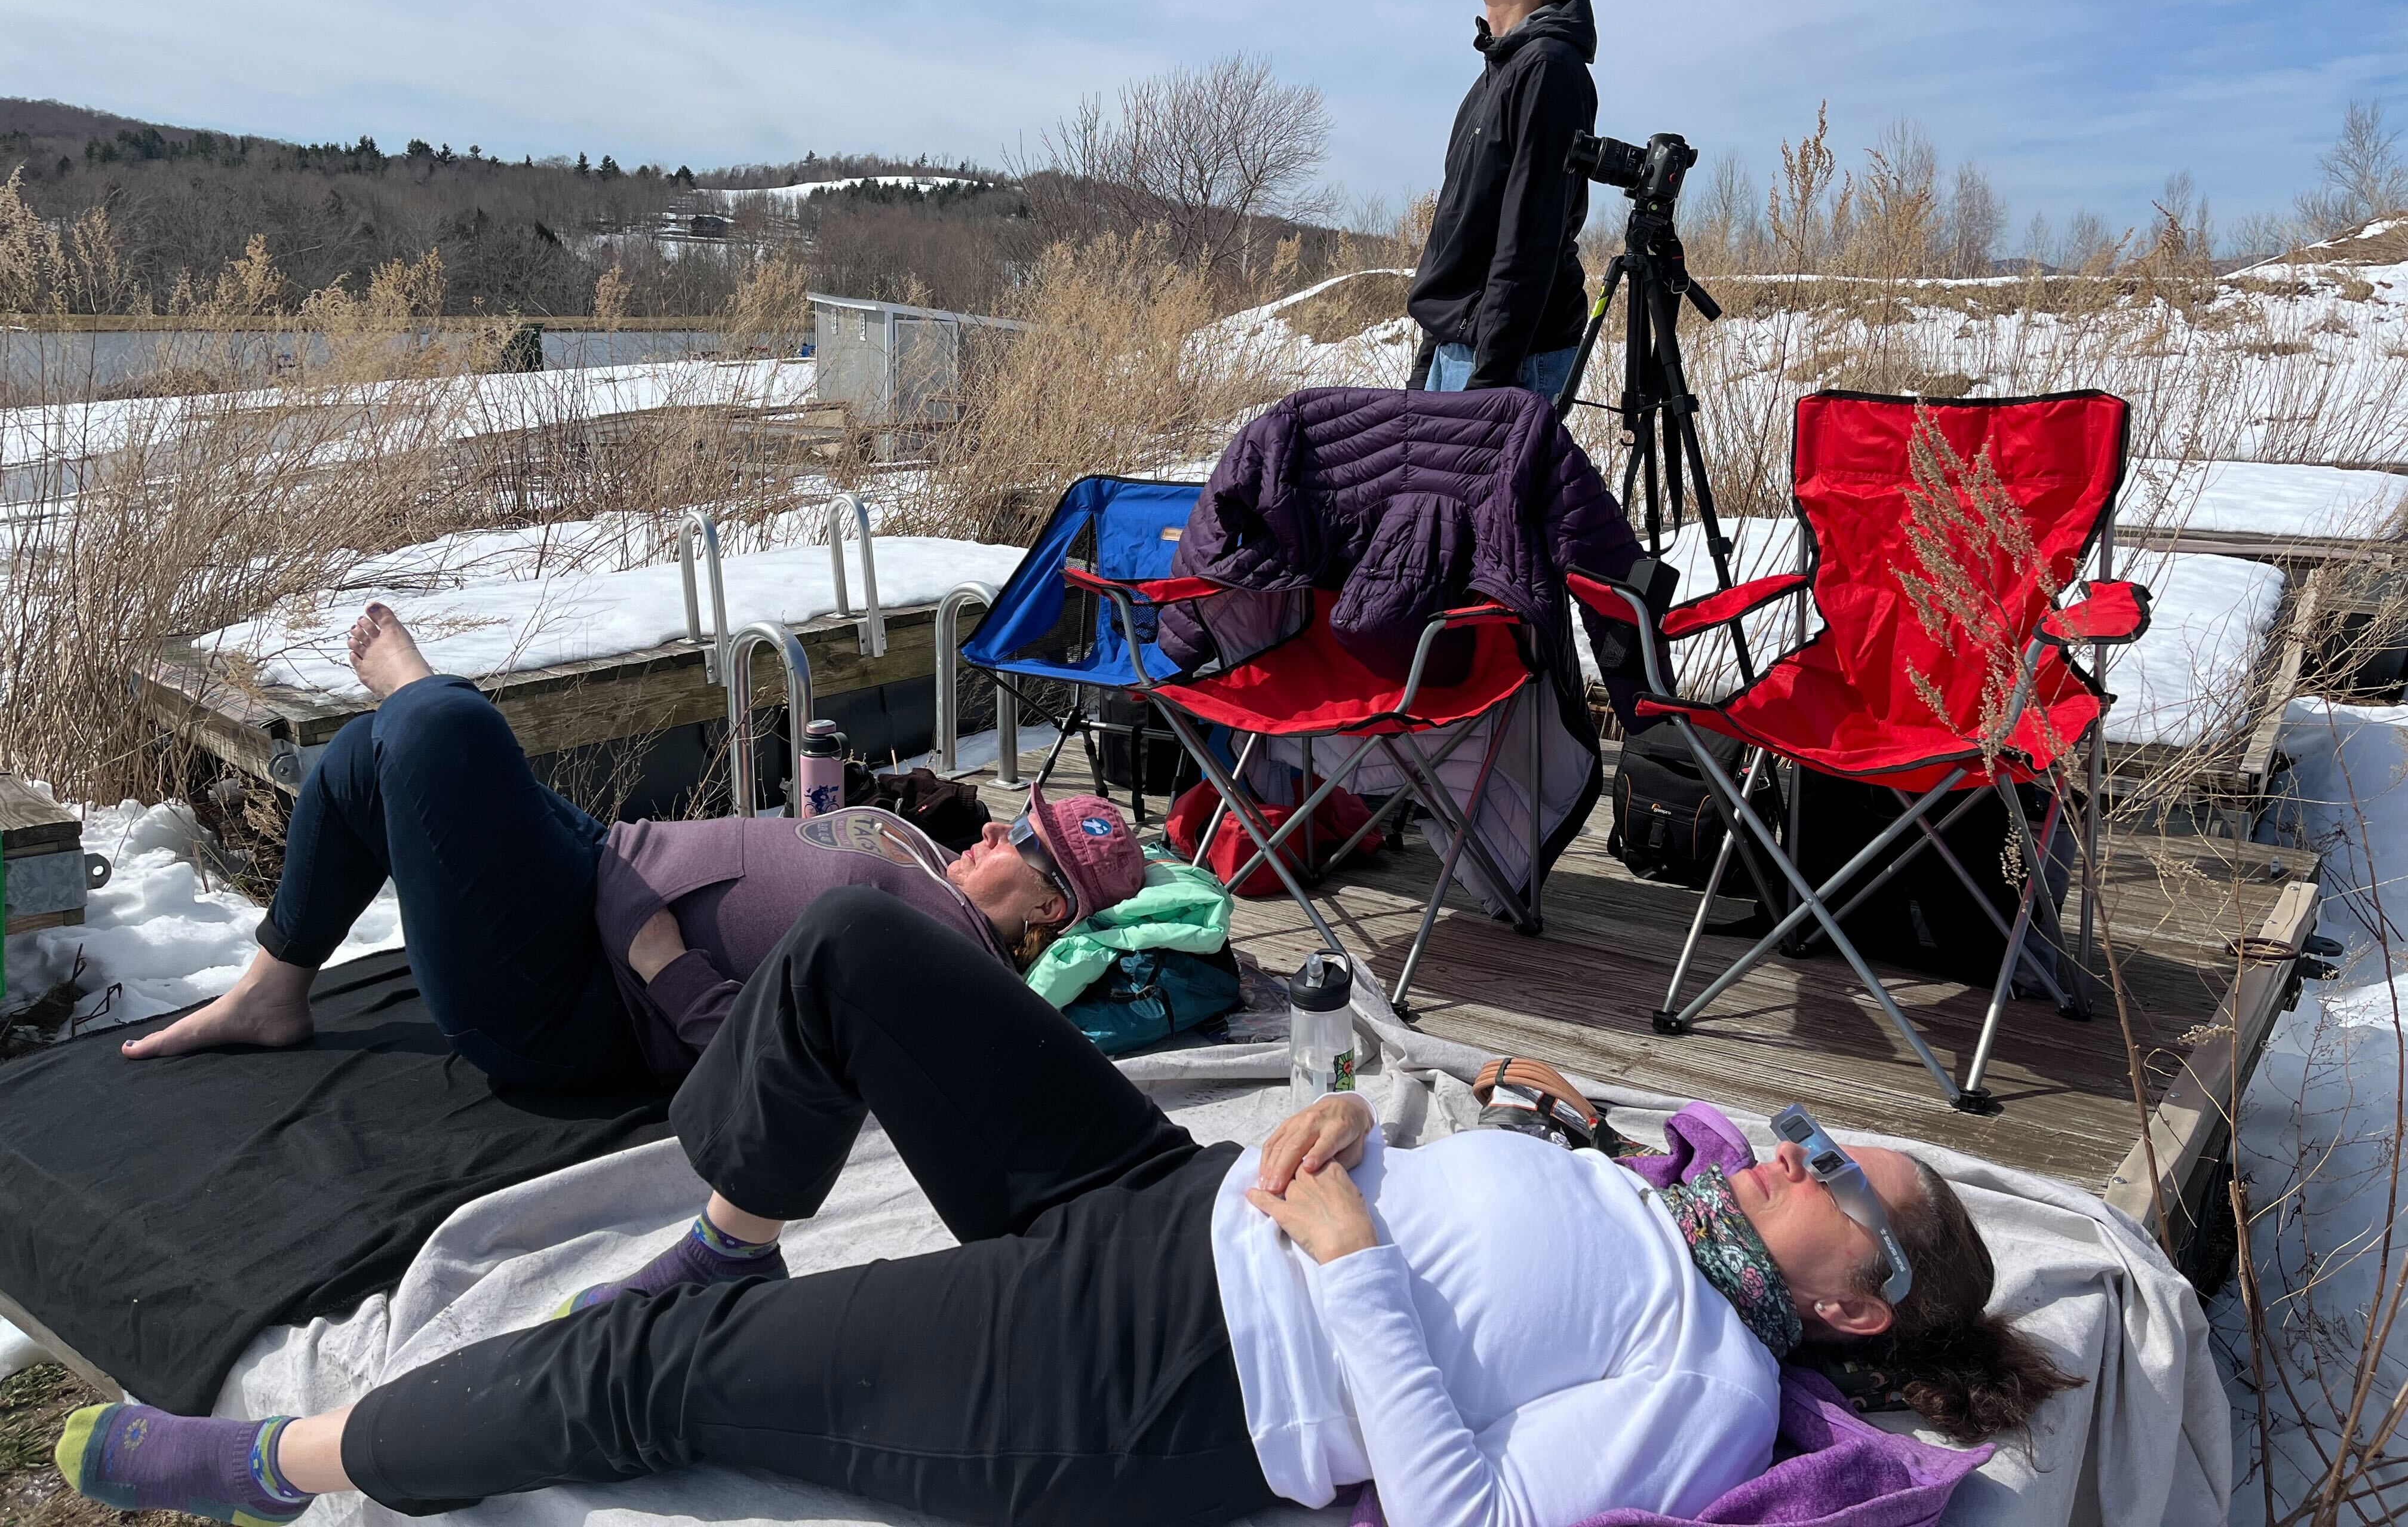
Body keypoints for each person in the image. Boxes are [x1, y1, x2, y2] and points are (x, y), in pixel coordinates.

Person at [61, 888, 2080, 1527]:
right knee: (858, 946)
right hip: (1171, 1197)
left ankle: (270, 1456)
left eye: (1850, 1194)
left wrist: (1354, 1258)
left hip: (1158, 1378)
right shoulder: (1668, 1192)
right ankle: (730, 1223)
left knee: (651, 1372)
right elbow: (1458, 1198)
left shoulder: (1712, 1391)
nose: (1802, 1155)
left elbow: (1469, 1513)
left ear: (1860, 1315)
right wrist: (1351, 1153)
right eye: (1826, 1139)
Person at [120, 603, 1145, 1089]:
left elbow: (778, 1051)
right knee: (364, 752)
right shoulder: (941, 880)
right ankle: (271, 988)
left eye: (1028, 843)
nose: (1001, 830)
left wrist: (660, 955)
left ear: (1049, 908)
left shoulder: (954, 964)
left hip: (583, 993)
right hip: (604, 866)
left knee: (440, 731)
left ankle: (424, 695)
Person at [1409, 0, 1617, 401]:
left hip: (1508, 360)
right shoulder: (1496, 75)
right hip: (1460, 352)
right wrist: (1427, 363)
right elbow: (1458, 234)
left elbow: (1529, 239)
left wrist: (1489, 383)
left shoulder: (1549, 69)